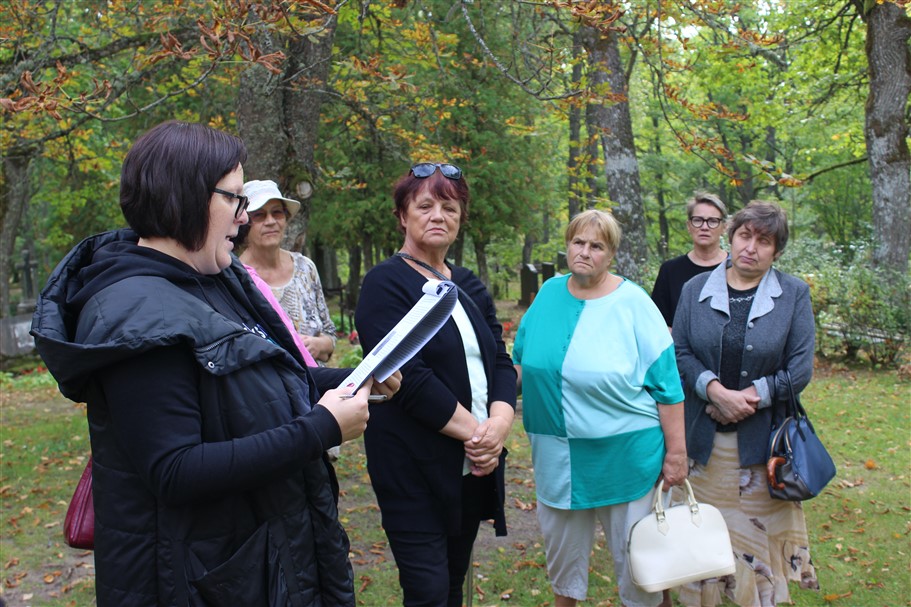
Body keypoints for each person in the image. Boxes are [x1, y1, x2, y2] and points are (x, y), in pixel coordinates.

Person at [30, 120, 400, 606]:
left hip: (260, 557)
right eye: (235, 199)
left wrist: (354, 379)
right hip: (197, 580)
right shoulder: (135, 312)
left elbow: (259, 380)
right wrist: (321, 428)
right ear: (184, 195)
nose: (244, 218)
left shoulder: (213, 280)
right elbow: (176, 470)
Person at [354, 162, 517, 607]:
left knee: (452, 582)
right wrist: (479, 435)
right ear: (402, 216)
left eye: (449, 208)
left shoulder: (468, 284)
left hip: (471, 464)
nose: (438, 216)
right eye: (425, 206)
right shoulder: (385, 283)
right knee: (427, 591)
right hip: (413, 465)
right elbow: (408, 378)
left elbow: (500, 361)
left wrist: (500, 425)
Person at [513, 209, 687, 607]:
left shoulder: (634, 302)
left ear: (611, 255)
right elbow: (520, 363)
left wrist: (677, 454)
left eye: (597, 246)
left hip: (626, 456)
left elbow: (668, 386)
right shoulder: (548, 294)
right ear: (567, 245)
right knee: (562, 563)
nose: (585, 252)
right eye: (578, 242)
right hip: (557, 454)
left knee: (642, 565)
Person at [672, 200, 818, 606]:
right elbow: (680, 352)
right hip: (704, 448)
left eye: (764, 241)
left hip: (763, 453)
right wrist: (715, 392)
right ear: (731, 236)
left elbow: (799, 370)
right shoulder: (694, 290)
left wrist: (747, 399)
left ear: (777, 250)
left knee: (756, 552)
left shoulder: (793, 294)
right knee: (705, 544)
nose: (751, 247)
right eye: (744, 235)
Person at [238, 179, 337, 366]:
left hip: (319, 380)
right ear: (244, 223)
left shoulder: (305, 268)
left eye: (277, 212)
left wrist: (318, 345)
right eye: (259, 215)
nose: (270, 221)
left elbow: (330, 334)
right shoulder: (237, 278)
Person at [651, 192, 729, 330]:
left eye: (712, 221)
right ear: (688, 225)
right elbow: (658, 323)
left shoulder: (736, 267)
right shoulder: (670, 271)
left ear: (724, 227)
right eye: (698, 220)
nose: (704, 227)